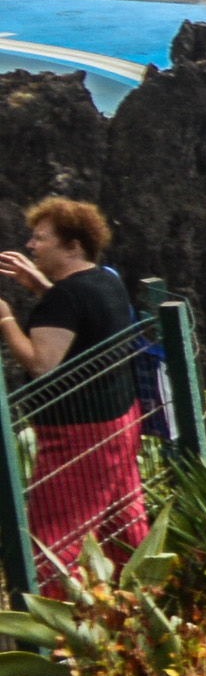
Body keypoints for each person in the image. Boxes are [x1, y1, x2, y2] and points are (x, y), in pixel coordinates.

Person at [0, 196, 150, 583]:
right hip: (120, 421)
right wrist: (42, 287)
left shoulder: (63, 298)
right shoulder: (106, 279)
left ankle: (57, 616)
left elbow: (41, 364)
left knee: (54, 536)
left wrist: (5, 319)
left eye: (40, 238)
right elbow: (84, 319)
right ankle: (142, 592)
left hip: (77, 435)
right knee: (123, 519)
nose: (31, 246)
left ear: (72, 246)